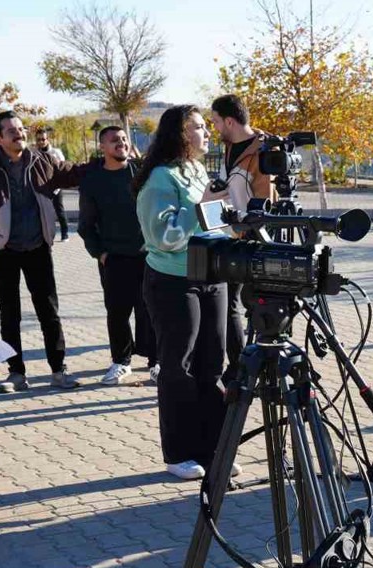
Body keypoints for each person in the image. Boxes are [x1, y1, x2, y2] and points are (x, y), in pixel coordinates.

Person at [134, 105, 239, 481]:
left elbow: (208, 218)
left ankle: (213, 449)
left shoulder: (195, 169)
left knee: (213, 364)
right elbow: (164, 237)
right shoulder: (160, 179)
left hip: (211, 272)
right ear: (179, 134)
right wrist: (202, 208)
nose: (206, 132)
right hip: (173, 280)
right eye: (197, 127)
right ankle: (179, 453)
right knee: (179, 367)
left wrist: (228, 213)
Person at [0, 111, 85, 393]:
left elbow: (68, 173)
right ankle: (16, 374)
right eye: (11, 131)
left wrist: (102, 164)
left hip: (37, 248)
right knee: (10, 314)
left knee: (49, 313)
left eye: (21, 129)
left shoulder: (41, 160)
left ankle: (59, 371)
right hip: (3, 251)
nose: (19, 134)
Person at [79, 125, 155, 386]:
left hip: (148, 255)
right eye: (114, 140)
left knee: (149, 310)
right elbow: (86, 225)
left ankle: (155, 361)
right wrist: (100, 254)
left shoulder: (141, 174)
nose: (120, 143)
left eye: (124, 139)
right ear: (102, 147)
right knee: (117, 312)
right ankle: (121, 362)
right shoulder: (93, 181)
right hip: (113, 258)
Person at [208, 94, 276, 381]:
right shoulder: (230, 147)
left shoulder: (264, 150)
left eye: (215, 122)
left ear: (230, 121)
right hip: (230, 235)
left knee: (258, 307)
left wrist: (248, 229)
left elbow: (266, 200)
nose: (214, 128)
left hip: (254, 238)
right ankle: (239, 369)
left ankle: (258, 368)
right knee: (232, 305)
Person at [34, 127, 71, 242]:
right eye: (38, 140)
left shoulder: (56, 152)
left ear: (48, 139)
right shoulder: (34, 153)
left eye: (43, 139)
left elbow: (62, 169)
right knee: (43, 212)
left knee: (59, 210)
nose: (41, 142)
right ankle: (45, 235)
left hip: (56, 187)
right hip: (42, 188)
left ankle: (65, 234)